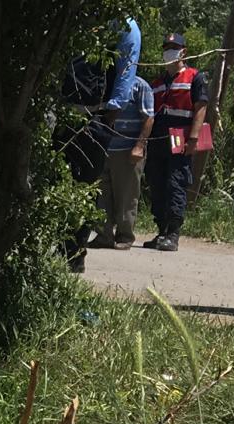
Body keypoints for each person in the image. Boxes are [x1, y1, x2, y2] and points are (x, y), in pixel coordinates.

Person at [58, 17, 141, 271]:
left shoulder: (124, 24)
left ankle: (73, 254)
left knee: (85, 186)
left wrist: (108, 116)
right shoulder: (75, 14)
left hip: (94, 119)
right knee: (55, 182)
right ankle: (55, 248)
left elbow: (126, 72)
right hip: (58, 115)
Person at [144, 33, 208, 252]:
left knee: (175, 184)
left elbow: (200, 108)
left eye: (174, 47)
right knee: (157, 184)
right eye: (166, 47)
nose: (169, 51)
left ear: (183, 52)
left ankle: (173, 234)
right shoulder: (157, 82)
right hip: (158, 141)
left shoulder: (194, 77)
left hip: (180, 138)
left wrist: (193, 138)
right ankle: (161, 230)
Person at [91, 73, 154, 249]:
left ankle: (125, 237)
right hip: (104, 148)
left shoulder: (140, 85)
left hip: (127, 151)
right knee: (101, 194)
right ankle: (103, 235)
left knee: (126, 195)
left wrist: (139, 146)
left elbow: (149, 117)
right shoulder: (106, 81)